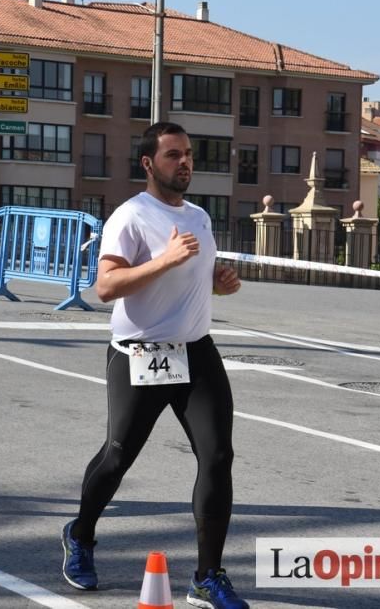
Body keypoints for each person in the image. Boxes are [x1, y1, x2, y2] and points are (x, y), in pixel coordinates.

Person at [61, 122, 247, 609]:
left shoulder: (200, 217)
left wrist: (218, 281)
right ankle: (80, 534)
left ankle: (208, 576)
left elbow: (194, 277)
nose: (184, 162)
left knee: (219, 457)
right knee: (117, 457)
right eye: (172, 155)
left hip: (195, 351)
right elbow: (105, 288)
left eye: (188, 154)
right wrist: (164, 261)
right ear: (149, 163)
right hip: (140, 354)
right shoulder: (130, 216)